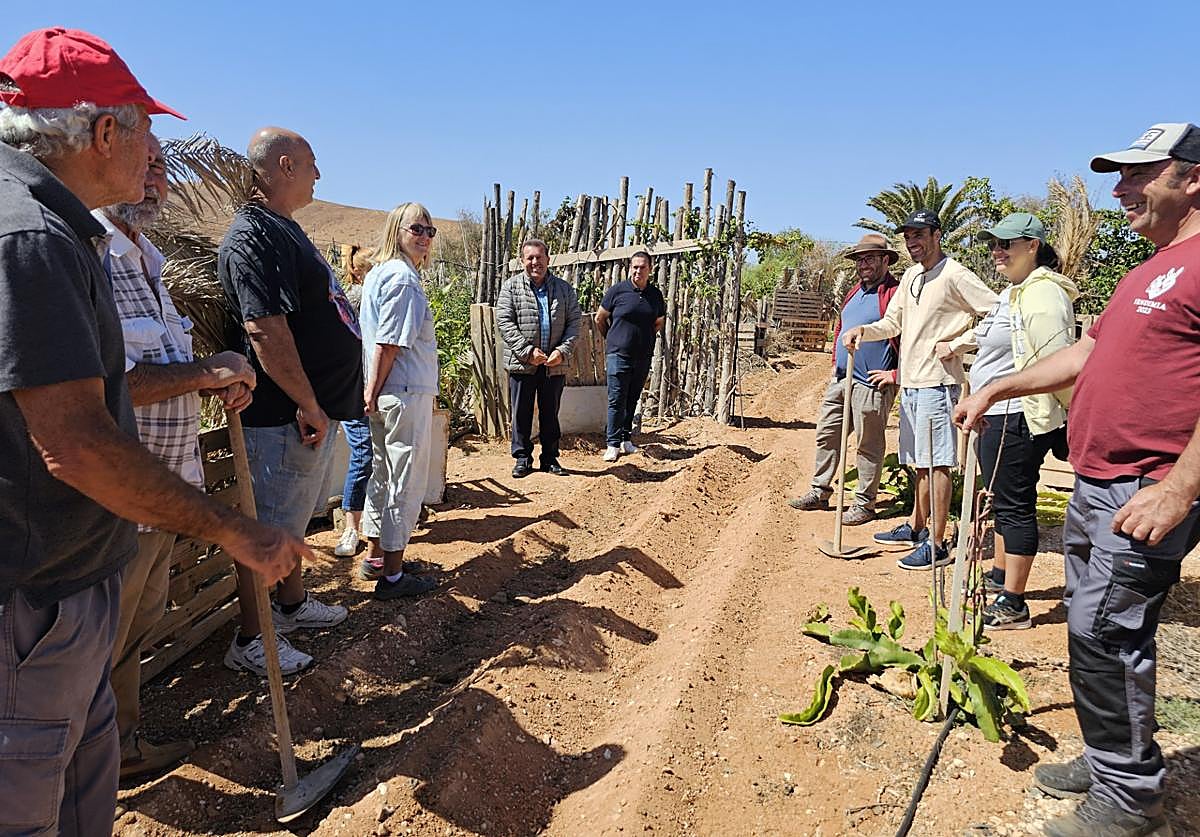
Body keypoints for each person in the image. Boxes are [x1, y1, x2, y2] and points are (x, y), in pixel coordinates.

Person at [0, 28, 300, 833]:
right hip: (34, 599)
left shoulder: (57, 229)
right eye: (144, 130)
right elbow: (76, 439)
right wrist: (236, 529)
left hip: (68, 580)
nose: (152, 154)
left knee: (77, 789)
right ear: (103, 132)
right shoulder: (28, 235)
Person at [955, 122, 1200, 837]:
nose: (1119, 189)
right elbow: (1083, 357)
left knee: (1101, 633)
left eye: (1137, 175)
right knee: (1101, 633)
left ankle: (1129, 797)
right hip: (1098, 483)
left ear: (1191, 177)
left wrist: (1180, 488)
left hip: (1146, 488)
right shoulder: (1147, 271)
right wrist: (996, 388)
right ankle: (1111, 754)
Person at [97, 135, 260, 778]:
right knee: (98, 646)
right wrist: (202, 374)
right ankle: (78, 779)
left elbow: (173, 365)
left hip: (168, 489)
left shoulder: (150, 262)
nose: (158, 178)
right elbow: (112, 385)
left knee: (132, 633)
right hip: (119, 502)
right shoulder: (92, 259)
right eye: (147, 164)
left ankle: (122, 751)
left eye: (164, 167)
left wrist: (223, 382)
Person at [218, 127, 363, 675]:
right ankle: (252, 640)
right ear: (283, 165)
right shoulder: (252, 237)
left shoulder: (283, 230)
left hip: (305, 415)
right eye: (311, 164)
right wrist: (307, 402)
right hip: (282, 416)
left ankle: (293, 607)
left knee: (291, 526)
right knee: (267, 533)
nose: (318, 175)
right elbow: (264, 329)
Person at [842, 209, 997, 569]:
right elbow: (893, 322)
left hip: (937, 383)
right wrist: (863, 332)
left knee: (937, 463)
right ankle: (916, 526)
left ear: (937, 235)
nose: (913, 242)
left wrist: (959, 344)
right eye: (908, 237)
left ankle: (938, 544)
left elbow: (996, 313)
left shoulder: (955, 274)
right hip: (911, 382)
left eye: (920, 235)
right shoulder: (912, 275)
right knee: (919, 463)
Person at [964, 213, 1076, 631]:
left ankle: (1014, 602)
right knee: (1002, 500)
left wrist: (1072, 413)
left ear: (1032, 246)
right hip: (998, 413)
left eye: (1006, 244)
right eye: (994, 244)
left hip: (1019, 415)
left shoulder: (1043, 295)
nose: (997, 251)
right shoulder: (1017, 291)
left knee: (1015, 505)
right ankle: (999, 576)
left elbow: (1058, 361)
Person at [356, 205, 441, 598]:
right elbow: (389, 344)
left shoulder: (377, 274)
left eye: (430, 230)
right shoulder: (404, 279)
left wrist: (371, 392)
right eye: (416, 229)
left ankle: (376, 556)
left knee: (382, 473)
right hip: (404, 392)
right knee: (404, 480)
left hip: (387, 393)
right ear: (398, 230)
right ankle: (393, 575)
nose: (424, 236)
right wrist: (373, 390)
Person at [789, 233, 900, 525]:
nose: (864, 264)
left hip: (872, 383)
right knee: (828, 434)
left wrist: (895, 374)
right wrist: (834, 364)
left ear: (885, 260)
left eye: (870, 259)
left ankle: (864, 503)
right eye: (860, 259)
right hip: (842, 378)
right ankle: (819, 490)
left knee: (869, 443)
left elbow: (908, 335)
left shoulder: (894, 294)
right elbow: (842, 327)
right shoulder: (854, 292)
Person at [496, 239, 582, 478]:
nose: (535, 262)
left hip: (554, 364)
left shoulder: (564, 290)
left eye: (539, 257)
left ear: (548, 259)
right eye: (530, 258)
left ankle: (550, 458)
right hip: (522, 363)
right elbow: (505, 322)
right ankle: (522, 458)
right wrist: (527, 352)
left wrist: (562, 351)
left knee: (550, 413)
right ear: (522, 261)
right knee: (521, 412)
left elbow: (574, 323)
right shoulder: (511, 288)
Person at [595, 250, 666, 462]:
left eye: (642, 267)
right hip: (618, 354)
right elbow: (600, 318)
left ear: (650, 269)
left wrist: (642, 339)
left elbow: (658, 323)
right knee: (616, 399)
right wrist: (613, 339)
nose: (638, 270)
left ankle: (626, 439)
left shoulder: (655, 295)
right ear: (629, 268)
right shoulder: (617, 291)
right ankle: (612, 444)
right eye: (635, 266)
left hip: (642, 356)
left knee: (632, 398)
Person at [335, 245, 375, 558]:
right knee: (363, 455)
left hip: (373, 390)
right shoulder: (354, 299)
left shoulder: (364, 297)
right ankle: (351, 527)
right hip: (354, 391)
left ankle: (370, 524)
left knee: (374, 456)